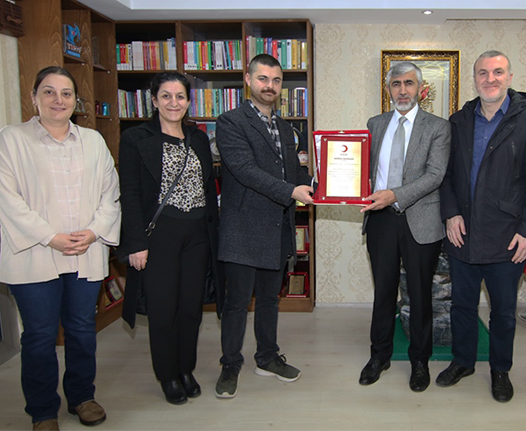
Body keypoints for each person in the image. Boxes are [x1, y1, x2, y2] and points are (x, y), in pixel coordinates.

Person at [0, 66, 120, 431]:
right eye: (49, 92)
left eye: (66, 93)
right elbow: (7, 199)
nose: (58, 100)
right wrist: (49, 236)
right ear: (34, 98)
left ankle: (82, 396)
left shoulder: (93, 141)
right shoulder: (11, 139)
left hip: (84, 250)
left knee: (82, 329)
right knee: (39, 335)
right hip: (33, 253)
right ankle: (43, 411)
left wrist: (94, 231)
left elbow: (110, 194)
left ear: (75, 101)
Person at [437, 50, 526, 402]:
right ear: (474, 78)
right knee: (461, 306)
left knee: (503, 312)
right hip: (462, 233)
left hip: (509, 237)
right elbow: (445, 175)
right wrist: (451, 213)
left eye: (498, 72)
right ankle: (463, 361)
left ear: (510, 77)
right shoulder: (458, 120)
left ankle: (500, 370)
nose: (490, 79)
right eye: (483, 73)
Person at [118, 72, 224, 406]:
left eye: (180, 96)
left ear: (189, 101)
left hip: (198, 234)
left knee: (191, 307)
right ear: (154, 100)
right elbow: (130, 193)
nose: (173, 103)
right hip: (159, 235)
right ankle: (167, 374)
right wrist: (136, 242)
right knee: (164, 309)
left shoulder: (198, 138)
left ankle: (186, 368)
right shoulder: (136, 138)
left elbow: (208, 189)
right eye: (166, 96)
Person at [215, 54, 314, 398]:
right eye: (262, 78)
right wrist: (291, 191)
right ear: (248, 80)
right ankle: (230, 364)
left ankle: (267, 357)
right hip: (243, 228)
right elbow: (246, 171)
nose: (269, 86)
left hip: (277, 226)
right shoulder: (230, 122)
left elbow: (294, 171)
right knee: (237, 302)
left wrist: (321, 185)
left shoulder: (286, 128)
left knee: (270, 299)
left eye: (275, 80)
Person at [359, 62, 451, 393]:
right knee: (383, 292)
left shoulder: (438, 127)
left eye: (409, 83)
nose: (402, 90)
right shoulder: (375, 123)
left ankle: (419, 361)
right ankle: (379, 356)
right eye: (396, 84)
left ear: (420, 90)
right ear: (388, 89)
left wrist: (395, 195)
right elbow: (363, 168)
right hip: (381, 220)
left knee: (420, 294)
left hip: (420, 220)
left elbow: (435, 175)